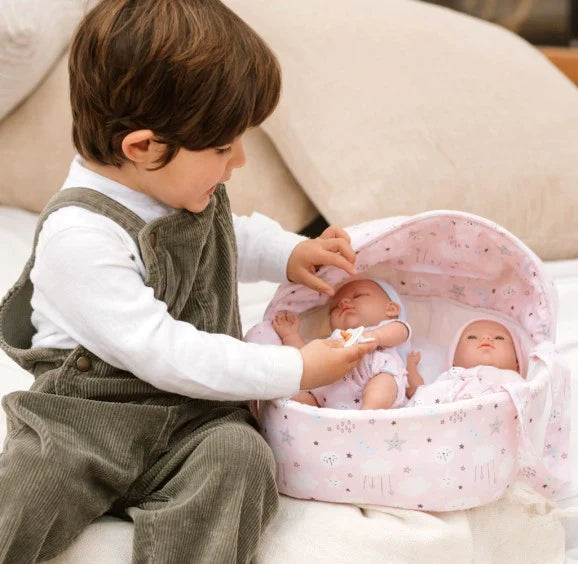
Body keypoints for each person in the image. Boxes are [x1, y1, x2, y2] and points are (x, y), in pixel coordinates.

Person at [0, 1, 378, 562]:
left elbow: (225, 239)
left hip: (190, 421)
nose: (240, 161)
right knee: (31, 483)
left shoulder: (179, 187)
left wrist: (289, 251)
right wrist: (294, 369)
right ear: (143, 147)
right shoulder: (78, 238)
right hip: (86, 422)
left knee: (239, 458)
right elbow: (166, 352)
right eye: (224, 148)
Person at [273, 278, 411, 410]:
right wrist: (290, 335)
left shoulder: (389, 328)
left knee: (383, 383)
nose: (343, 302)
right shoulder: (331, 341)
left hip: (375, 374)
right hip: (328, 397)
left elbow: (401, 331)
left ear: (391, 309)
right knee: (299, 395)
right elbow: (306, 358)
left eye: (358, 295)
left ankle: (368, 413)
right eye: (334, 308)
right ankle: (291, 412)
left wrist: (376, 336)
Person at [406, 318, 524, 406]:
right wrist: (411, 368)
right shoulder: (451, 378)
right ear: (454, 362)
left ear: (517, 366)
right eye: (472, 337)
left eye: (499, 338)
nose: (486, 337)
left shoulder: (513, 379)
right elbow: (421, 394)